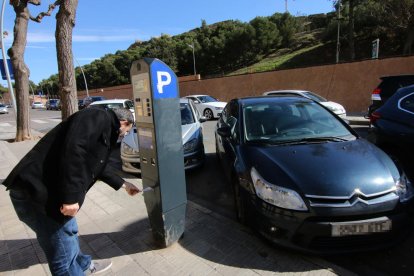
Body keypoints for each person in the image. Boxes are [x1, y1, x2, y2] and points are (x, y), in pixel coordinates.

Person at [2, 106, 141, 275]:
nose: (125, 134)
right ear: (124, 123)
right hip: (39, 194)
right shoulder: (99, 115)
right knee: (63, 259)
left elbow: (97, 165)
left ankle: (82, 264)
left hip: (45, 191)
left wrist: (123, 184)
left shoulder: (102, 126)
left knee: (70, 231)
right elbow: (74, 150)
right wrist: (70, 198)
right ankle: (75, 269)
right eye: (127, 130)